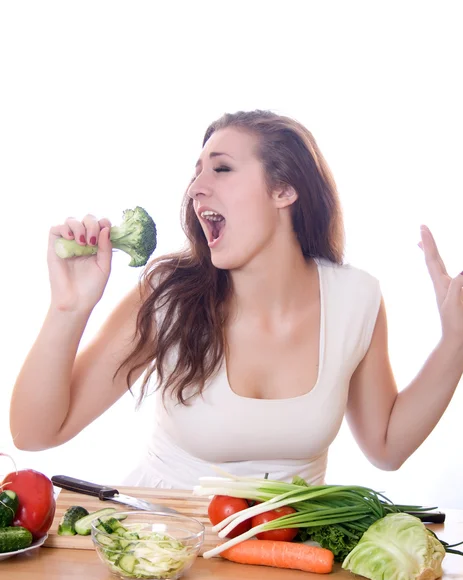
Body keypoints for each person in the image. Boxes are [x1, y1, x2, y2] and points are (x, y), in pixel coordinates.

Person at [9, 110, 463, 489]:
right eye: (196, 172)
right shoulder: (170, 295)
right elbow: (34, 433)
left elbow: (387, 447)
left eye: (221, 168)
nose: (195, 188)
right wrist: (69, 308)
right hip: (162, 549)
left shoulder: (355, 299)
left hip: (285, 557)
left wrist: (455, 341)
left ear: (284, 190)